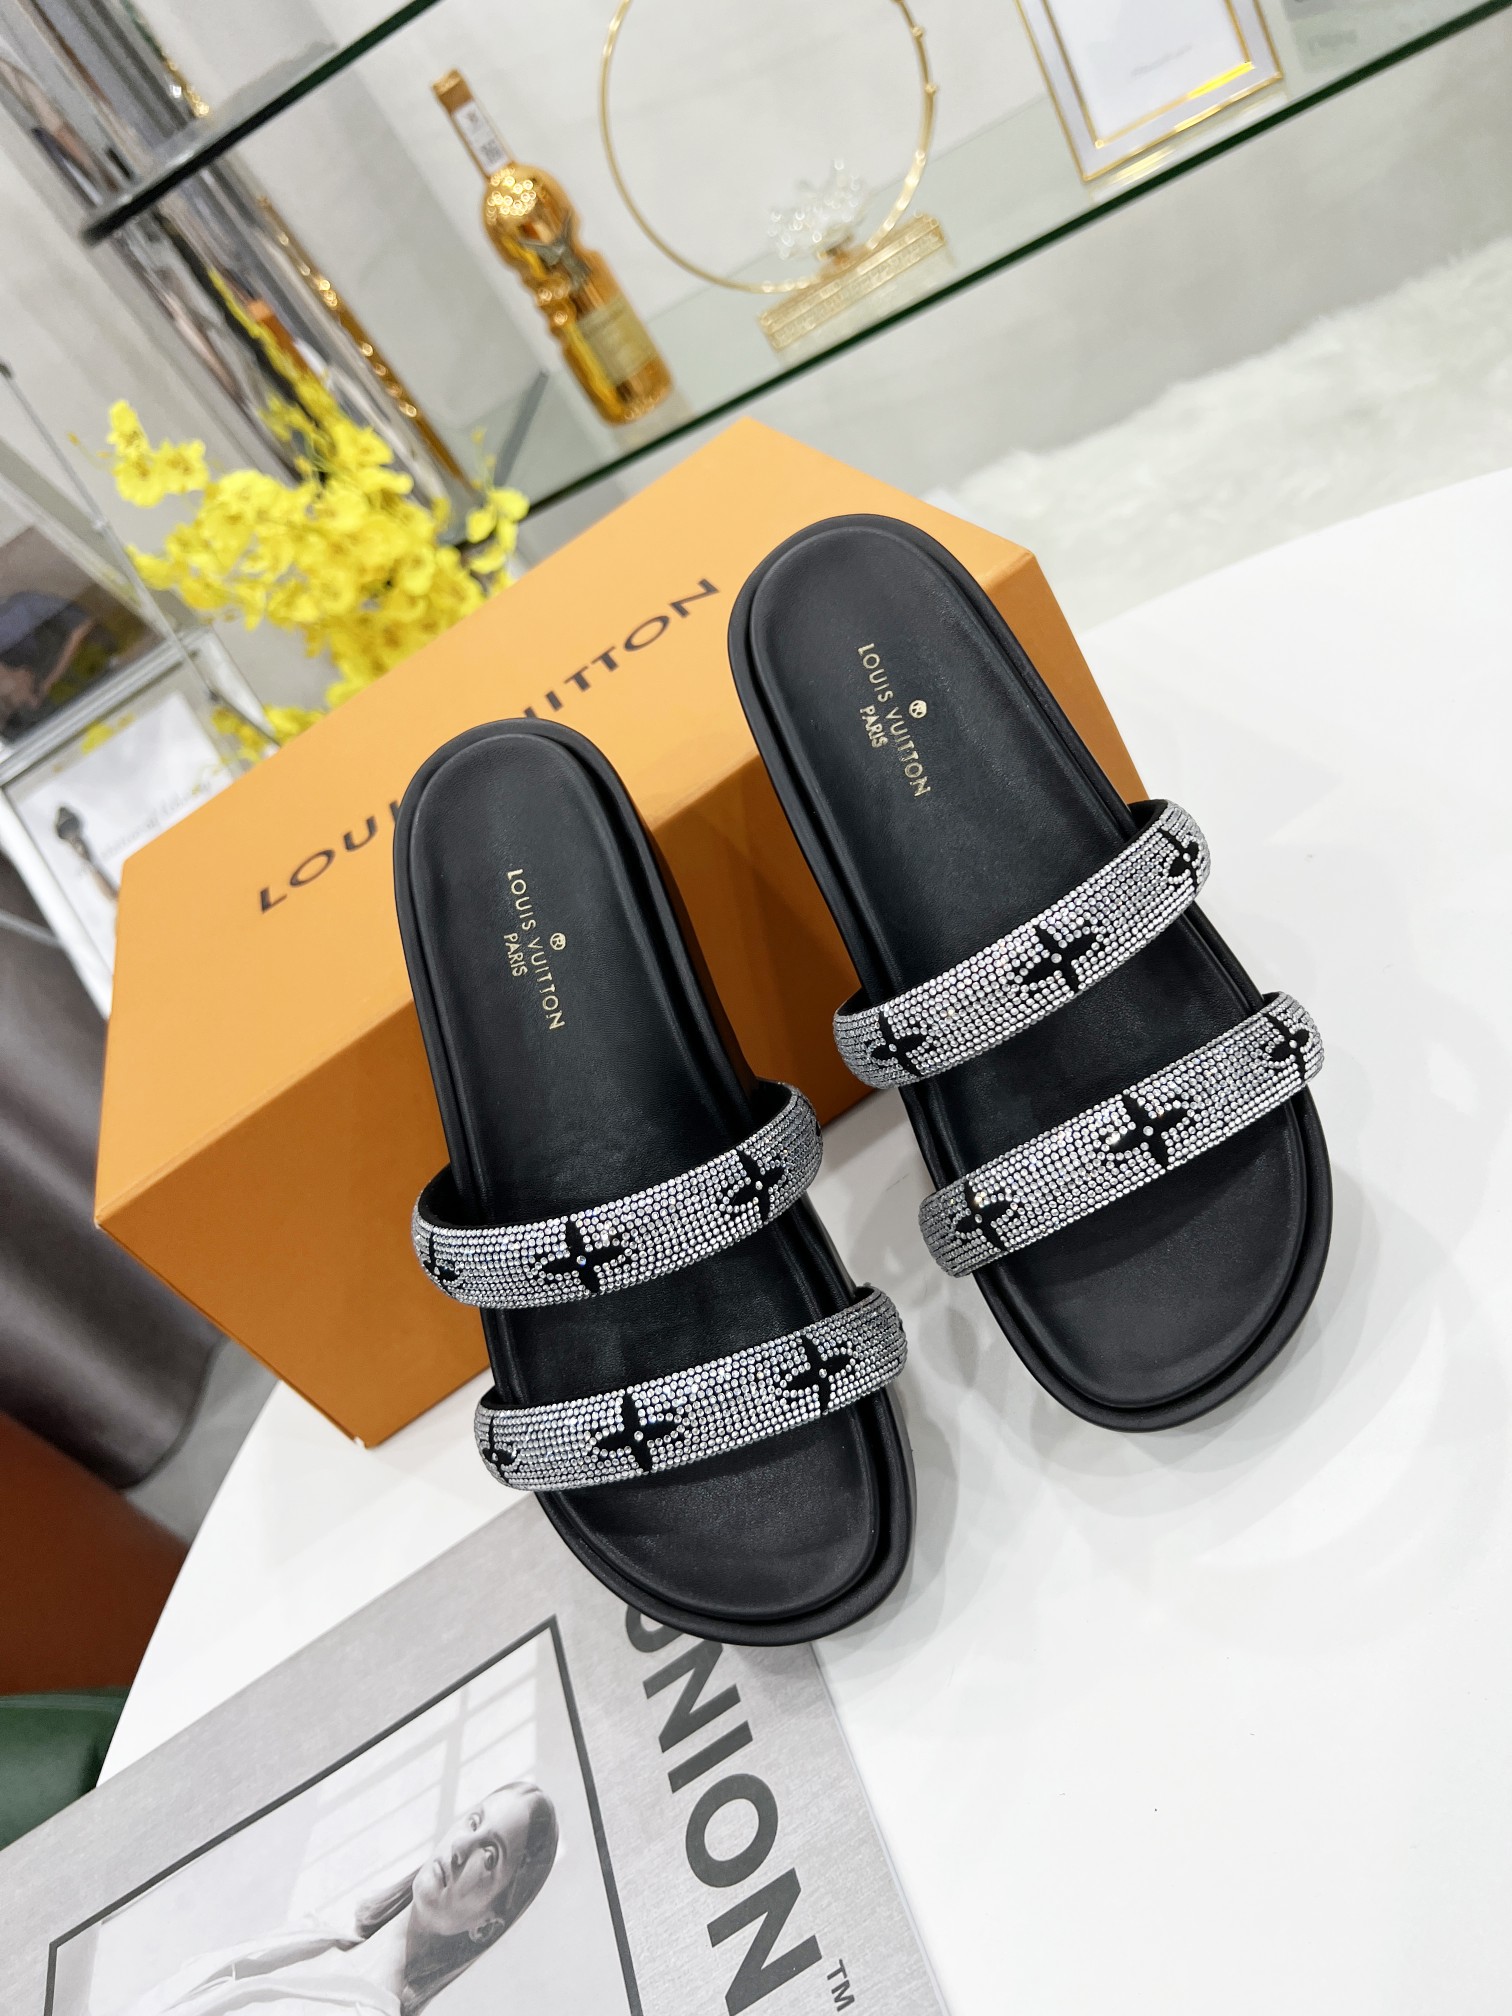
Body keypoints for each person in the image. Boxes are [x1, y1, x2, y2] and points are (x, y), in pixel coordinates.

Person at [125, 1781, 558, 2014]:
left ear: (485, 1926)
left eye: (489, 1855)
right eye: (474, 1821)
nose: (462, 1848)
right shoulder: (320, 1932)